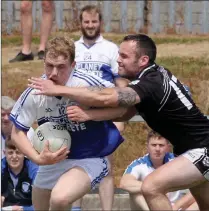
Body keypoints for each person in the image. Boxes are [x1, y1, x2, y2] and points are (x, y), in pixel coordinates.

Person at [29, 34, 209, 211]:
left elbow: (107, 98)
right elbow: (125, 113)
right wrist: (90, 116)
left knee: (151, 187)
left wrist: (59, 90)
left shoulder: (151, 83)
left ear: (143, 60)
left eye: (124, 56)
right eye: (119, 54)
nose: (118, 60)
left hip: (207, 149)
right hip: (197, 149)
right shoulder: (147, 80)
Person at [10, 36, 124, 211]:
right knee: (41, 206)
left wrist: (90, 114)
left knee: (60, 198)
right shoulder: (35, 92)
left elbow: (124, 108)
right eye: (49, 65)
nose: (54, 73)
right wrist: (37, 158)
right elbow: (17, 132)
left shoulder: (87, 83)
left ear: (73, 65)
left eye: (61, 67)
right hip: (53, 162)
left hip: (91, 157)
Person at [74, 5, 128, 210]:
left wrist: (121, 115)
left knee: (106, 164)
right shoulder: (73, 48)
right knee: (76, 163)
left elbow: (121, 83)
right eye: (86, 22)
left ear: (100, 23)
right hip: (79, 112)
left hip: (105, 113)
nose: (90, 26)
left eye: (93, 21)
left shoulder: (111, 49)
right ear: (80, 23)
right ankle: (76, 208)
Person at [120, 130, 181, 210]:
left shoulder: (177, 161)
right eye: (154, 145)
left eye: (161, 145)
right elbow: (124, 183)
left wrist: (178, 206)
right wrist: (156, 189)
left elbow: (199, 178)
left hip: (175, 207)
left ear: (167, 147)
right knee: (135, 192)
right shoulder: (139, 164)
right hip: (149, 207)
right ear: (147, 147)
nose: (157, 149)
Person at [1, 136, 38, 211]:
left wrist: (23, 209)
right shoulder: (1, 168)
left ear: (24, 153)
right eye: (10, 152)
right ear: (4, 153)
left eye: (18, 152)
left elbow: (43, 204)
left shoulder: (34, 169)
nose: (14, 156)